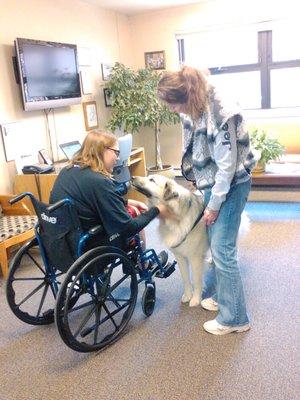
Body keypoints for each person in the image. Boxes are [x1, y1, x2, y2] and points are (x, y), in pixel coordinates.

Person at [157, 66, 257, 335]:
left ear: (186, 97)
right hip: (215, 182)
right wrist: (197, 178)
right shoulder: (195, 106)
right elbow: (197, 147)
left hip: (232, 183)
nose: (172, 110)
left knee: (222, 250)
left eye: (173, 105)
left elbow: (228, 166)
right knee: (217, 245)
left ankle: (234, 318)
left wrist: (212, 206)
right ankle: (227, 298)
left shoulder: (220, 111)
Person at [50, 130, 170, 262]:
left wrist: (125, 202)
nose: (118, 158)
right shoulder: (99, 181)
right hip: (90, 245)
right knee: (134, 213)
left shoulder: (67, 171)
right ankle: (142, 263)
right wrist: (157, 209)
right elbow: (128, 228)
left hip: (61, 242)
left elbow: (89, 200)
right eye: (116, 152)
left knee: (128, 208)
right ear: (103, 150)